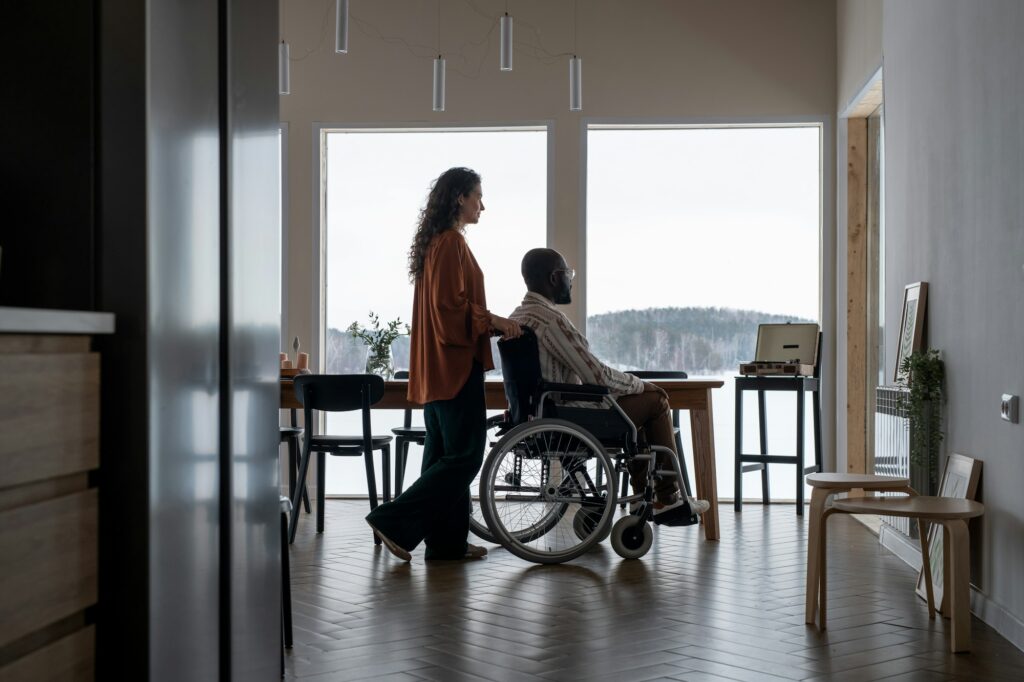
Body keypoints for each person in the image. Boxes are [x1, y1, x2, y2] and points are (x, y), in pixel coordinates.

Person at [366, 167, 522, 561]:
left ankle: (445, 543)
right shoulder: (450, 243)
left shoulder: (436, 243)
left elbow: (443, 308)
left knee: (441, 457)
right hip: (453, 368)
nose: (482, 205)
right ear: (459, 198)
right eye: (477, 197)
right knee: (465, 456)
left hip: (435, 369)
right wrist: (494, 322)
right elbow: (450, 309)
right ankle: (392, 520)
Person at [508, 247, 710, 526]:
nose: (571, 281)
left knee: (635, 412)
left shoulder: (518, 316)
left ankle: (645, 498)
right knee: (656, 401)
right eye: (569, 274)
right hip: (569, 416)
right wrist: (639, 384)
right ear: (555, 278)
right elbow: (597, 376)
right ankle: (666, 496)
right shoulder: (551, 320)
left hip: (541, 413)